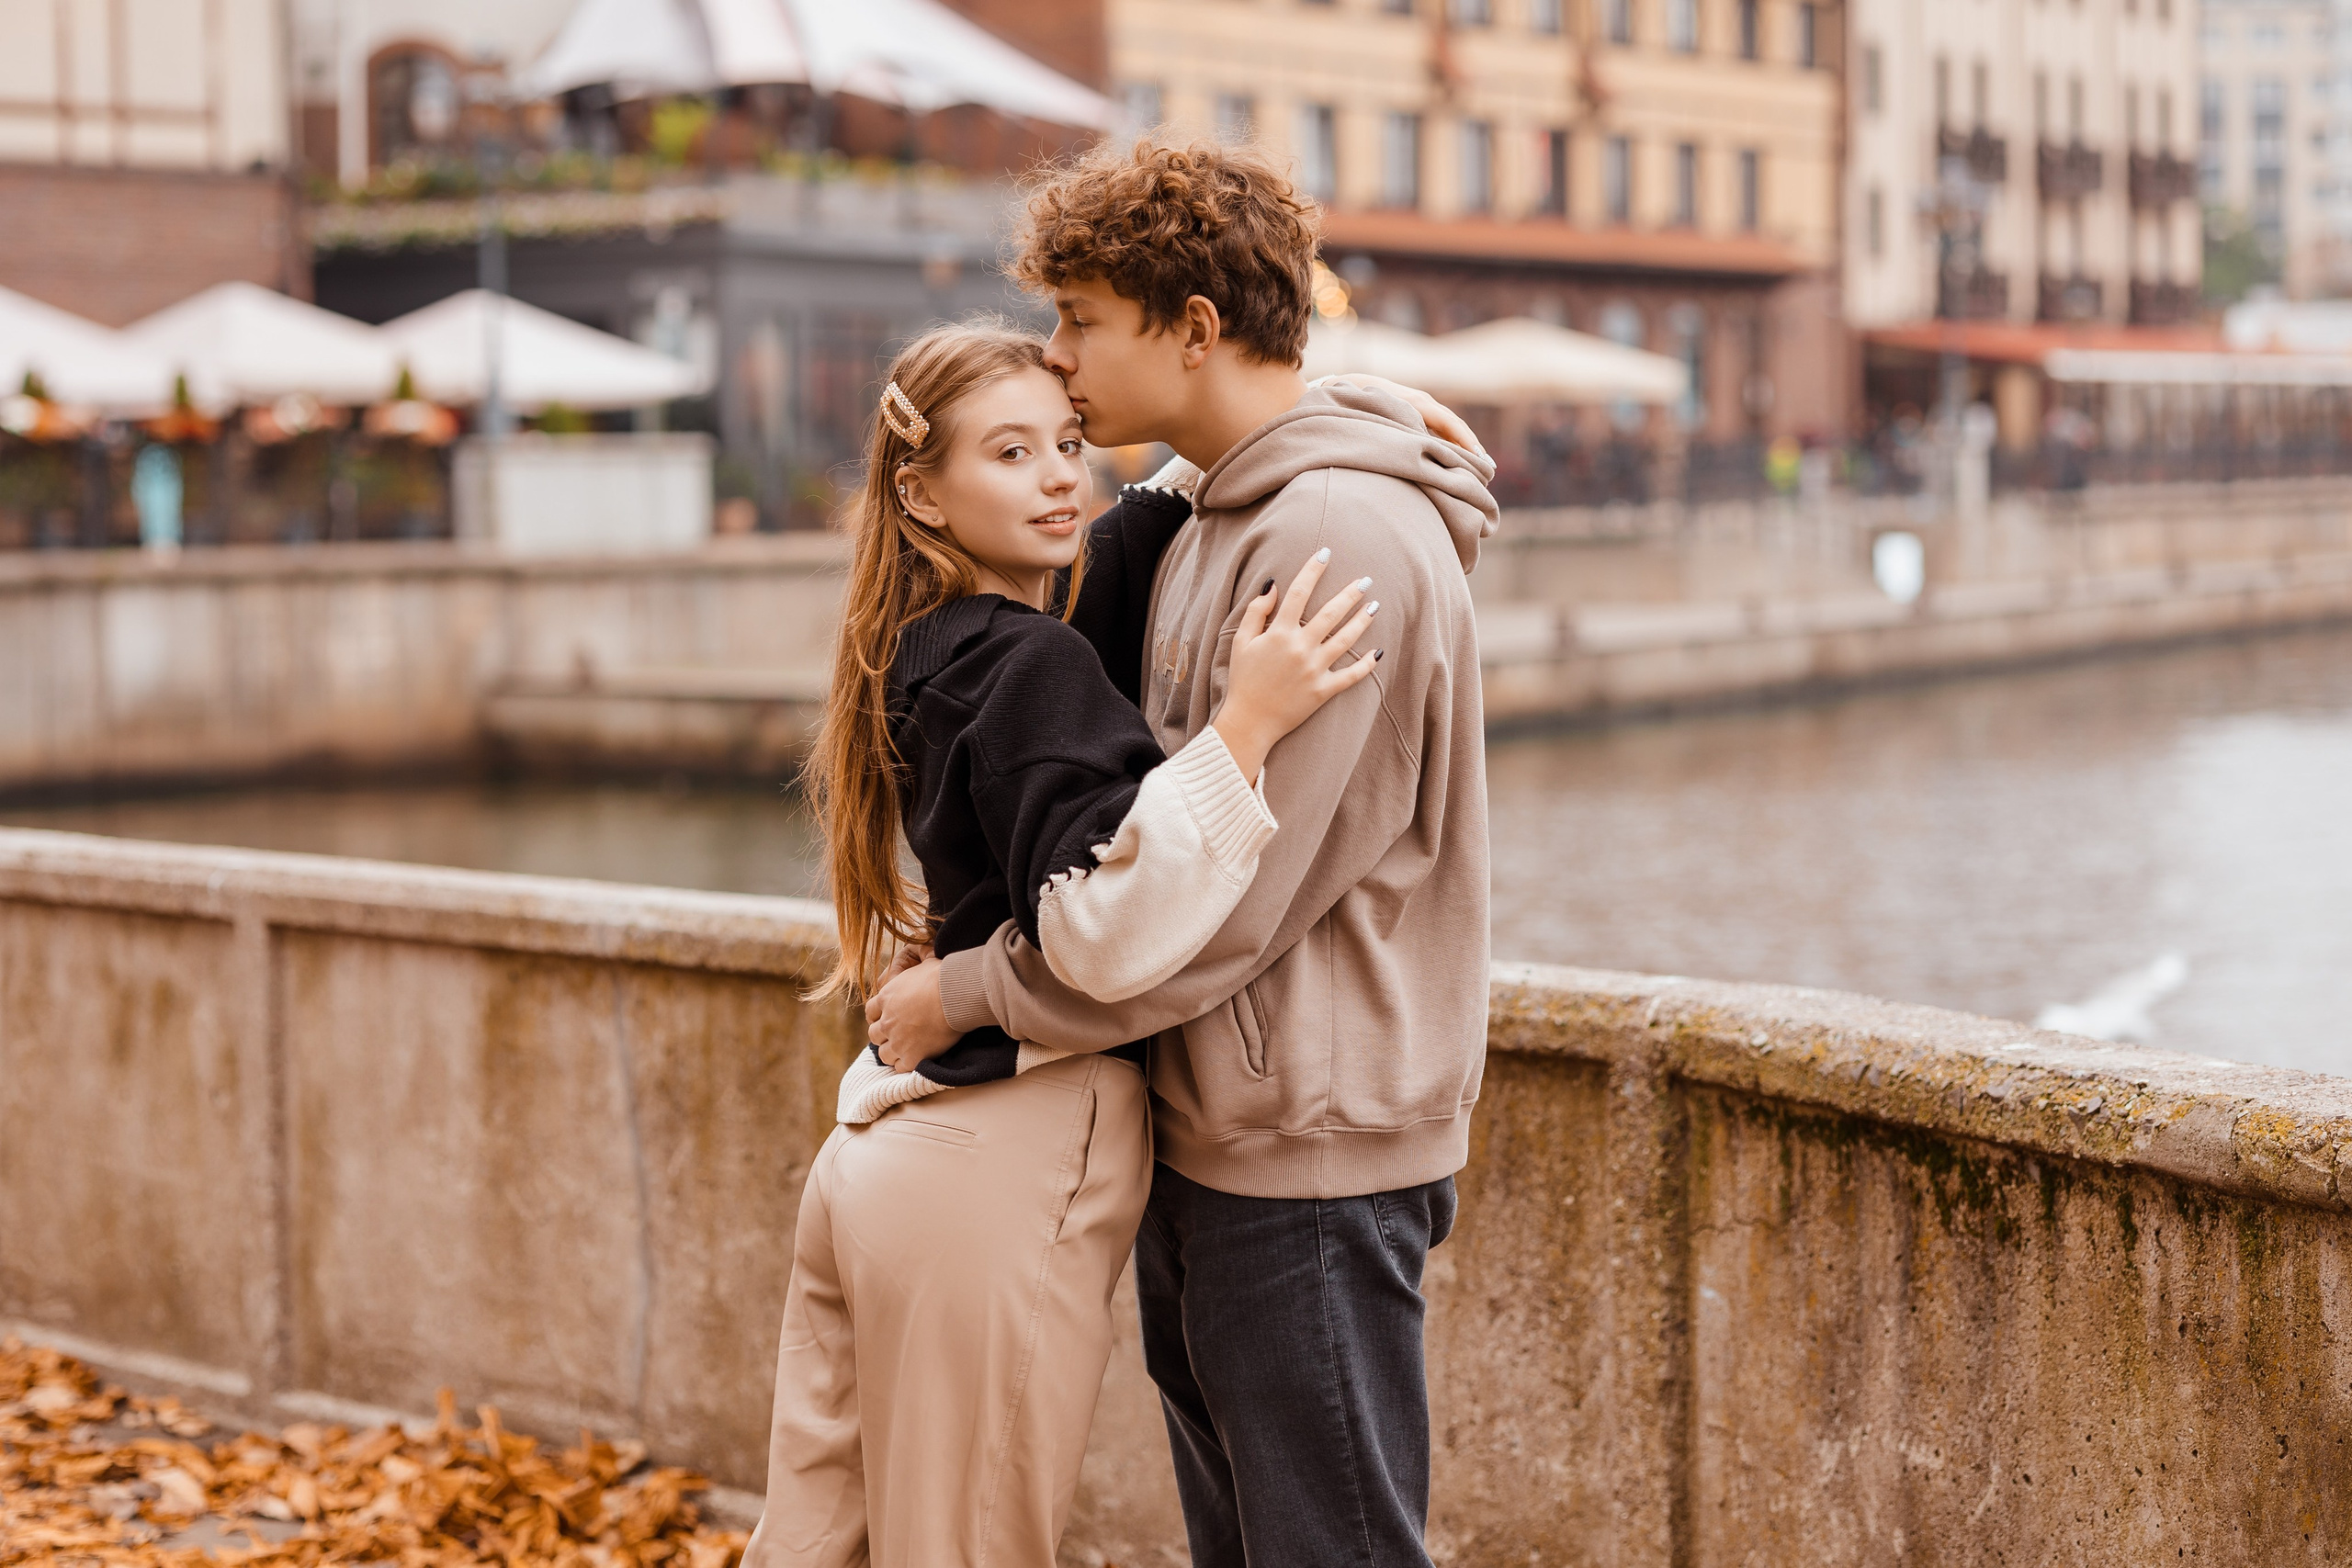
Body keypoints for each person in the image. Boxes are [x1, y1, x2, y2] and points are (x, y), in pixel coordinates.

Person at [865, 138, 1498, 1568]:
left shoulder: (1333, 534)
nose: (1059, 354)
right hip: (1226, 1124)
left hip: (1307, 1151)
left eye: (1083, 318)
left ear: (1193, 328)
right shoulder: (1221, 513)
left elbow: (1219, 917)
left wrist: (973, 994)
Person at [743, 319, 1385, 1568]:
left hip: (885, 1159)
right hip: (999, 1162)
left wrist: (1339, 402)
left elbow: (1154, 500)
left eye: (1068, 444)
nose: (1059, 479)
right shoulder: (1030, 662)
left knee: (817, 1543)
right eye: (1011, 452)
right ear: (922, 491)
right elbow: (1097, 931)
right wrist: (1243, 729)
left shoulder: (927, 645)